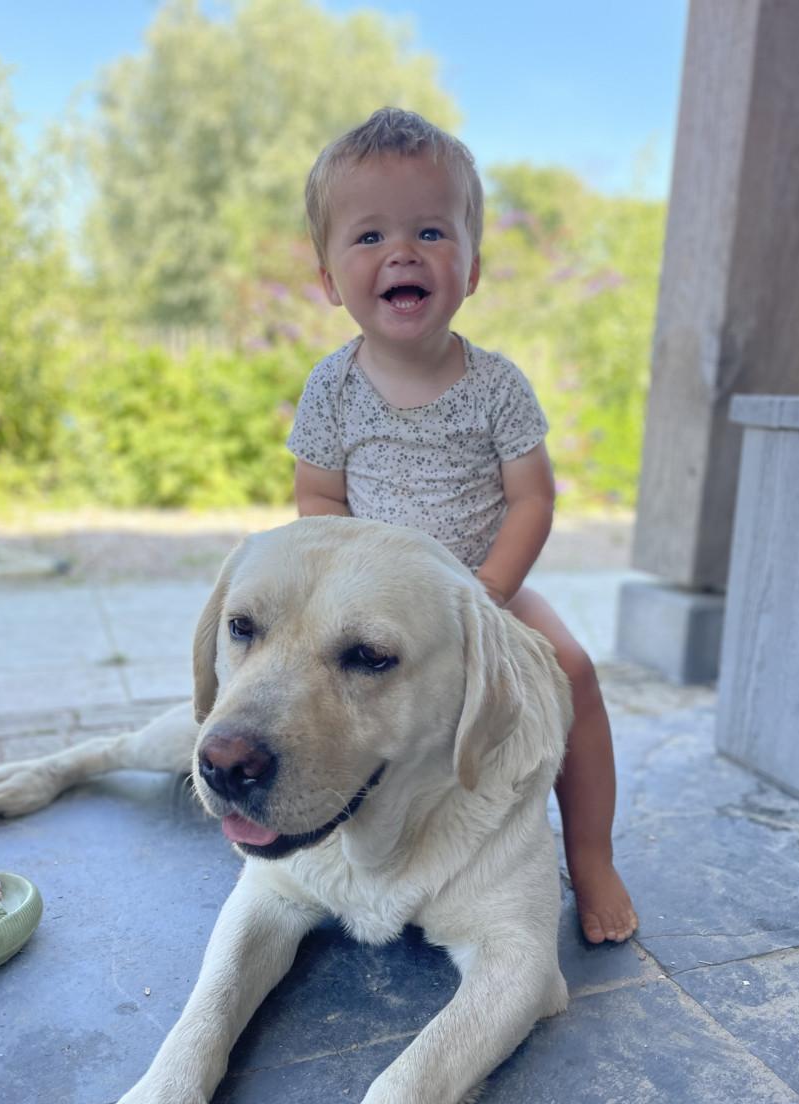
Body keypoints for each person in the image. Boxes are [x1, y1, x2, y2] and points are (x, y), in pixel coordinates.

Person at [288, 108, 638, 945]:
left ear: (471, 268)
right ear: (331, 278)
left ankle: (589, 854)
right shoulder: (331, 390)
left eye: (430, 231)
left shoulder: (497, 387)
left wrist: (490, 590)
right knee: (308, 693)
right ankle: (329, 817)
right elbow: (319, 503)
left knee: (576, 672)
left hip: (491, 590)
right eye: (369, 236)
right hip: (378, 606)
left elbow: (533, 500)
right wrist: (345, 594)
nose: (401, 252)